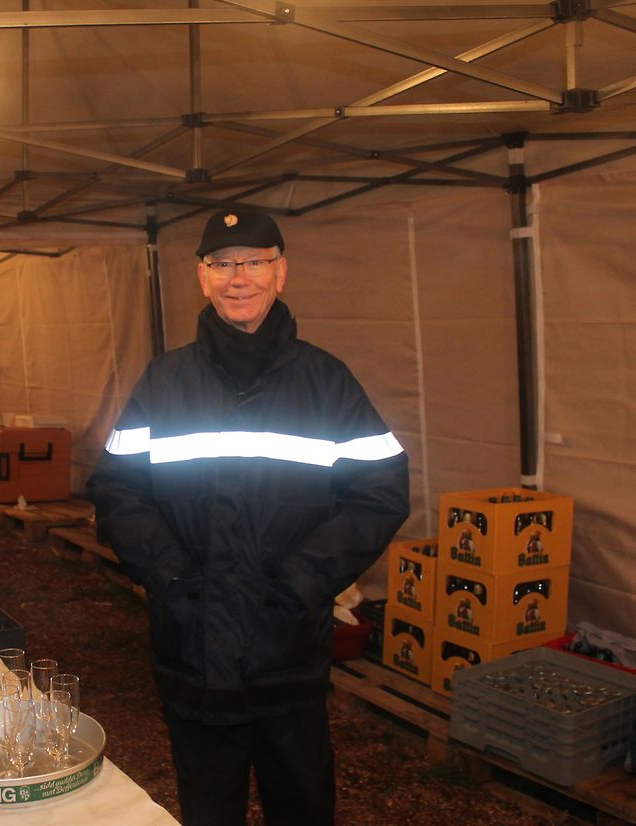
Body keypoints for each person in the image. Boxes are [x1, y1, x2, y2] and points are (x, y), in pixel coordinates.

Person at [86, 209, 410, 825]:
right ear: (203, 278)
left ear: (280, 273)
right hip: (193, 649)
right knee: (209, 809)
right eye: (223, 263)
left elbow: (382, 491)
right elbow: (117, 489)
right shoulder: (165, 381)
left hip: (287, 650)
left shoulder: (327, 382)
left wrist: (302, 580)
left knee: (302, 805)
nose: (239, 278)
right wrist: (171, 576)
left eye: (255, 262)